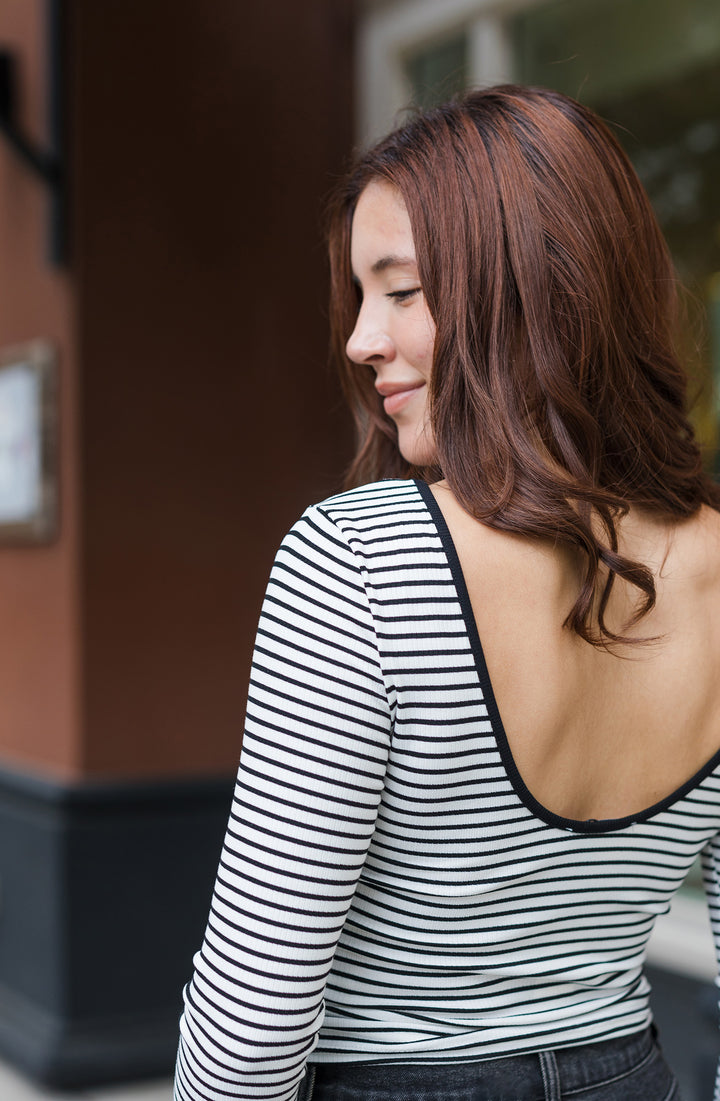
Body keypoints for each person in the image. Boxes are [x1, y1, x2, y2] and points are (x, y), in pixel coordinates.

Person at [173, 85, 720, 1101]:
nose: (359, 341)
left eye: (403, 292)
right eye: (360, 296)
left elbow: (254, 1017)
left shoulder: (358, 561)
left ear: (533, 287)